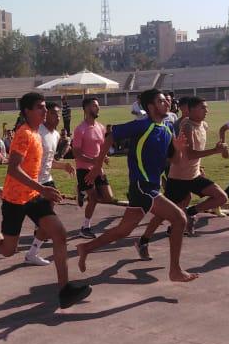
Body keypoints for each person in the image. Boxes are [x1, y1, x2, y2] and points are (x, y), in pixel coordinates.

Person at [0, 92, 91, 309]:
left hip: (33, 196)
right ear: (27, 111)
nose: (45, 111)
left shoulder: (37, 133)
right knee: (7, 250)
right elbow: (13, 169)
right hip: (15, 199)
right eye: (40, 107)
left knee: (59, 234)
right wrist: (43, 188)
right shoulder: (24, 134)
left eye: (45, 107)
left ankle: (65, 290)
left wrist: (43, 187)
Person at [76, 88, 198, 282]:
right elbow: (111, 136)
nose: (167, 103)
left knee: (123, 230)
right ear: (150, 106)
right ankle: (175, 270)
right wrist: (97, 166)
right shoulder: (142, 125)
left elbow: (175, 160)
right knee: (179, 219)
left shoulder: (168, 128)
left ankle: (85, 248)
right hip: (142, 186)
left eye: (167, 100)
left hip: (152, 186)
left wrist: (178, 149)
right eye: (161, 101)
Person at [137, 96, 228, 250]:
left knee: (221, 197)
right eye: (202, 108)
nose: (206, 111)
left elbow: (201, 152)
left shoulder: (203, 125)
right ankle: (143, 241)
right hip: (178, 178)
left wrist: (219, 152)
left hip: (194, 175)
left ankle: (190, 213)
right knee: (163, 214)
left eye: (206, 107)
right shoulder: (187, 126)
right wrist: (214, 150)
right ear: (190, 110)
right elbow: (190, 154)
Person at [22, 102, 74, 266]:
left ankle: (32, 252)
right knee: (48, 223)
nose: (57, 117)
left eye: (58, 114)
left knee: (47, 219)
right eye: (53, 114)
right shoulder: (37, 133)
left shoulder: (56, 135)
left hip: (47, 180)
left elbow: (49, 161)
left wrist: (64, 166)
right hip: (34, 182)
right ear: (45, 115)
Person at [72, 97, 114, 239]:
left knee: (108, 197)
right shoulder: (80, 129)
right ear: (86, 108)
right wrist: (94, 160)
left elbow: (101, 147)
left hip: (97, 168)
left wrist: (104, 156)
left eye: (98, 105)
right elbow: (76, 154)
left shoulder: (101, 127)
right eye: (95, 105)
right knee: (94, 198)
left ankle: (81, 190)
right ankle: (85, 227)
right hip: (84, 168)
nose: (98, 107)